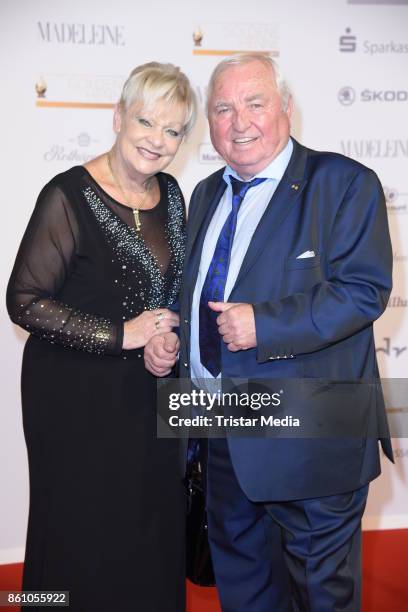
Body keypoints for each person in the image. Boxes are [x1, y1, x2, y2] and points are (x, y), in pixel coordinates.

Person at [144, 53, 393, 611]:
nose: (240, 122)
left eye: (255, 104)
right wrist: (174, 339)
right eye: (224, 109)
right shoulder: (204, 193)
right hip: (221, 437)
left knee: (321, 598)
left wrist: (265, 324)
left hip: (314, 443)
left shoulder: (344, 183)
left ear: (285, 108)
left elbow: (364, 290)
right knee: (246, 593)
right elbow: (200, 296)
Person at [7, 61, 196, 612]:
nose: (158, 141)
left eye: (173, 130)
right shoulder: (66, 195)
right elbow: (23, 300)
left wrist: (167, 337)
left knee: (150, 528)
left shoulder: (174, 195)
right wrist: (121, 334)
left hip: (150, 396)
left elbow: (171, 292)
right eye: (146, 122)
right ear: (118, 117)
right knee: (80, 533)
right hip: (74, 400)